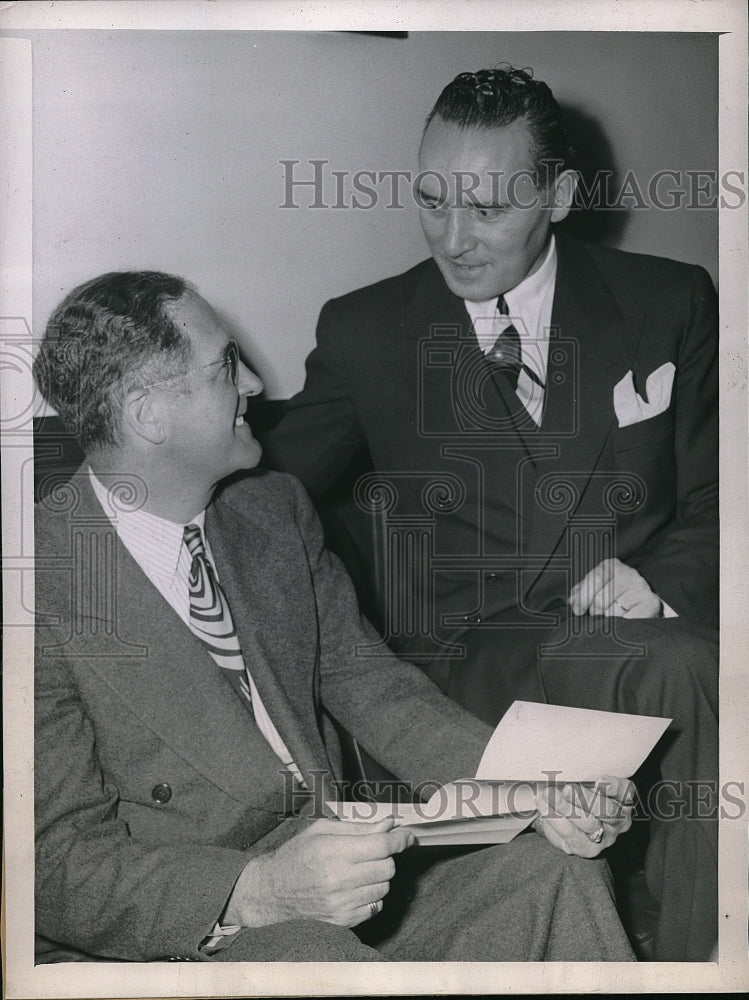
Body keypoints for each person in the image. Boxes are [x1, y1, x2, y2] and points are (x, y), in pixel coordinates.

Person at [32, 270, 637, 965]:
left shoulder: (270, 508)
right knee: (316, 957)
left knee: (555, 875)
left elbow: (375, 688)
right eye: (226, 365)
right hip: (187, 921)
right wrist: (256, 890)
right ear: (148, 413)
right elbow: (54, 862)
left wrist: (529, 790)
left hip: (338, 869)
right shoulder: (37, 587)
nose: (255, 383)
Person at [261, 67, 718, 961]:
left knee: (678, 655)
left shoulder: (667, 301)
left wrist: (658, 580)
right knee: (684, 665)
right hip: (464, 663)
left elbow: (718, 494)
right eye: (432, 202)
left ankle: (699, 959)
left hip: (627, 634)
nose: (453, 239)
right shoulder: (366, 330)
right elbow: (263, 487)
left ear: (559, 197)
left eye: (488, 209)